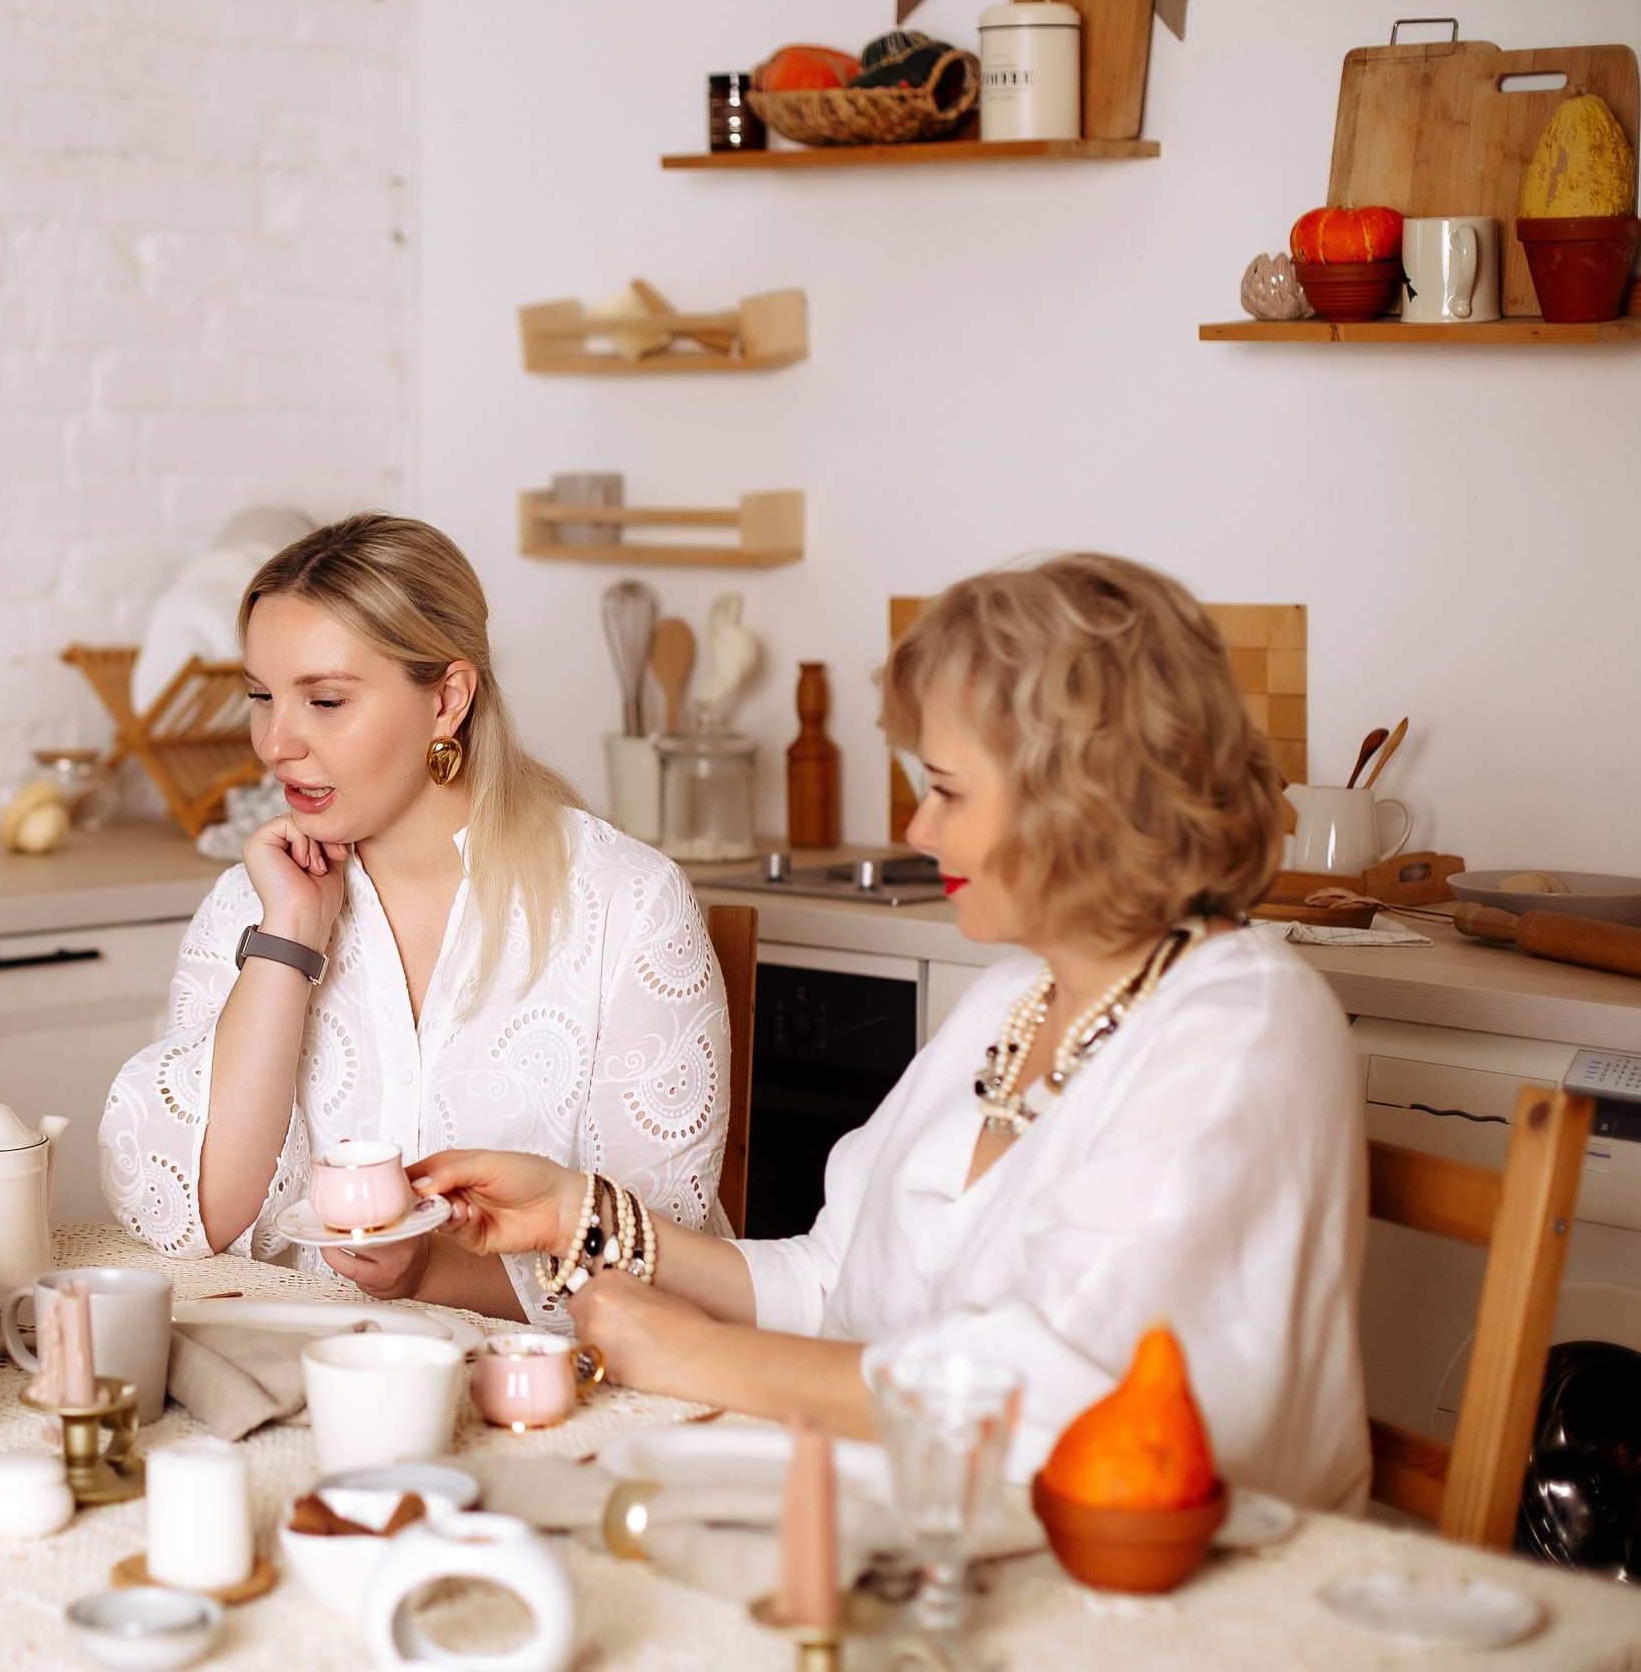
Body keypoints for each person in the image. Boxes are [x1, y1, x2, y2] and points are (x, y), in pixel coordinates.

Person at [417, 553, 1370, 1510]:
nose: (918, 829)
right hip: (940, 1519)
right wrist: (578, 1212)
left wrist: (700, 1357)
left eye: (949, 791)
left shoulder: (1243, 1027)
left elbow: (1068, 1402)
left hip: (1170, 1576)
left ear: (1077, 797)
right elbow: (836, 1287)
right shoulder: (1015, 998)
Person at [99, 514, 729, 1325]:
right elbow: (198, 1216)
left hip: (562, 1393)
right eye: (260, 696)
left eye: (324, 700)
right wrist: (289, 938)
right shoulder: (254, 901)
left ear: (447, 699)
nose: (274, 742)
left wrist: (424, 1270)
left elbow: (654, 1263)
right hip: (308, 1382)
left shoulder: (627, 904)